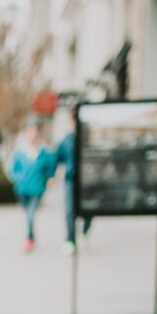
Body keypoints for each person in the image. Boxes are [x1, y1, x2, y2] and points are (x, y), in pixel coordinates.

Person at [6, 121, 57, 252]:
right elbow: (12, 169)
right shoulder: (20, 151)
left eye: (35, 132)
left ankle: (29, 239)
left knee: (31, 215)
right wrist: (18, 179)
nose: (33, 135)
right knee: (28, 214)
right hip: (22, 190)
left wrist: (50, 179)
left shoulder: (44, 152)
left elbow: (49, 169)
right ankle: (31, 236)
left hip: (37, 189)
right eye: (31, 131)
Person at [56, 106, 92, 255]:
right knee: (69, 211)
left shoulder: (88, 138)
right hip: (71, 179)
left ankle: (84, 230)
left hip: (88, 180)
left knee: (89, 210)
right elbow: (57, 158)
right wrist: (51, 176)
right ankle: (71, 239)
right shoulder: (66, 140)